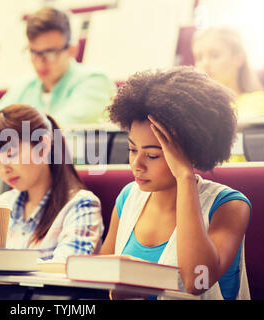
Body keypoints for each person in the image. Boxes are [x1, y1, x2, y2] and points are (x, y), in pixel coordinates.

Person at [100, 67, 251, 300]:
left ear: (190, 152)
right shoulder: (128, 197)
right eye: (132, 149)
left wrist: (185, 177)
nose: (136, 164)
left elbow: (196, 281)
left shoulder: (229, 205)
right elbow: (101, 279)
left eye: (152, 155)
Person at [0, 104, 104, 262]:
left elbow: (65, 271)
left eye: (11, 155)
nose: (4, 170)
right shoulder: (2, 205)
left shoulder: (81, 205)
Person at [0, 6, 116, 127]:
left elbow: (56, 130)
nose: (39, 63)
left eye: (49, 54)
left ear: (72, 51)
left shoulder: (96, 81)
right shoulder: (24, 86)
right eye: (34, 53)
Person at [192, 26, 264, 120]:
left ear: (238, 59)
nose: (205, 63)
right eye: (199, 58)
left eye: (215, 55)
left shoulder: (263, 102)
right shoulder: (195, 111)